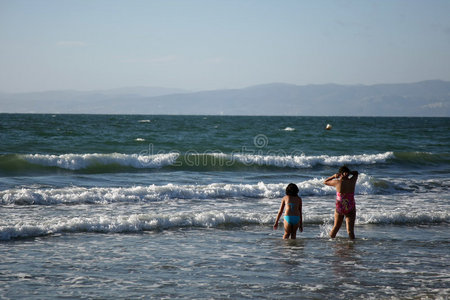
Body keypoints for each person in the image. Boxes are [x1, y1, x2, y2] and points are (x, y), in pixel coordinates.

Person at [323, 166, 358, 239]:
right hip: (350, 206)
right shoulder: (352, 181)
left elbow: (325, 182)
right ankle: (352, 247)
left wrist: (334, 176)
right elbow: (356, 173)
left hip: (340, 207)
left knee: (335, 228)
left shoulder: (337, 182)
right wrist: (350, 172)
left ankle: (330, 242)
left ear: (340, 174)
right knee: (350, 231)